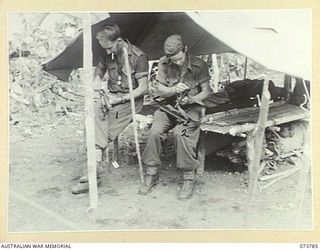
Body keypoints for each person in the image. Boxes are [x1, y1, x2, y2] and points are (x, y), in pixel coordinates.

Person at [72, 23, 149, 194]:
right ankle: (94, 169)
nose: (107, 52)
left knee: (102, 130)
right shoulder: (106, 52)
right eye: (104, 48)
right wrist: (97, 80)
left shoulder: (138, 57)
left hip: (130, 102)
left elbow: (143, 88)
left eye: (109, 47)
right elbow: (99, 71)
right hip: (111, 98)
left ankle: (93, 171)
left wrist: (120, 99)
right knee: (91, 117)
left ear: (119, 41)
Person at [139, 34, 210, 200]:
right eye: (173, 60)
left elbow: (207, 91)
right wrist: (174, 89)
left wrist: (192, 98)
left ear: (185, 50)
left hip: (191, 109)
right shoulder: (164, 62)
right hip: (169, 107)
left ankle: (188, 176)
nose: (176, 63)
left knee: (181, 133)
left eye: (179, 59)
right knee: (155, 131)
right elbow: (159, 90)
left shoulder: (199, 64)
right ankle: (151, 172)